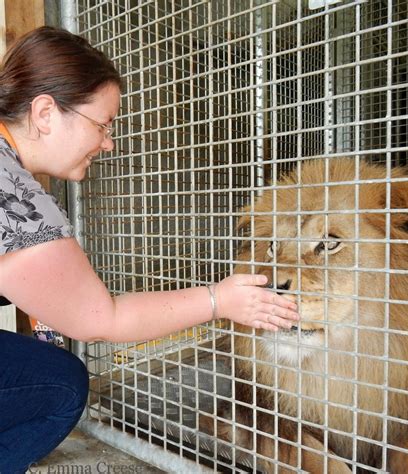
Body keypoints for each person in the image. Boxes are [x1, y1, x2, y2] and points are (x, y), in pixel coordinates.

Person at [0, 26, 299, 472]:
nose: (108, 143)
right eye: (102, 124)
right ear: (45, 112)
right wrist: (220, 299)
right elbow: (101, 319)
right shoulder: (17, 197)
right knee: (63, 384)